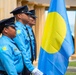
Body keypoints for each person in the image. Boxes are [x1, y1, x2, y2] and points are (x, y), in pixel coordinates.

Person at [10, 5, 43, 75]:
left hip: (27, 62)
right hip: (23, 63)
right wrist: (31, 68)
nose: (29, 16)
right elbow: (22, 49)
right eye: (26, 14)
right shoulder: (18, 30)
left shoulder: (24, 28)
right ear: (19, 16)